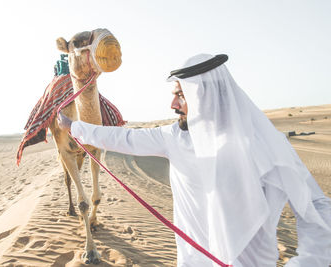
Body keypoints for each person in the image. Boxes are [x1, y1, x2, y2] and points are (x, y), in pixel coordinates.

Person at [57, 54, 331, 267]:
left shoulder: (265, 145)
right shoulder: (175, 138)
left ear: (205, 97)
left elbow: (317, 207)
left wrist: (305, 262)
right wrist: (75, 127)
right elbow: (124, 139)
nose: (173, 105)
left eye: (181, 95)